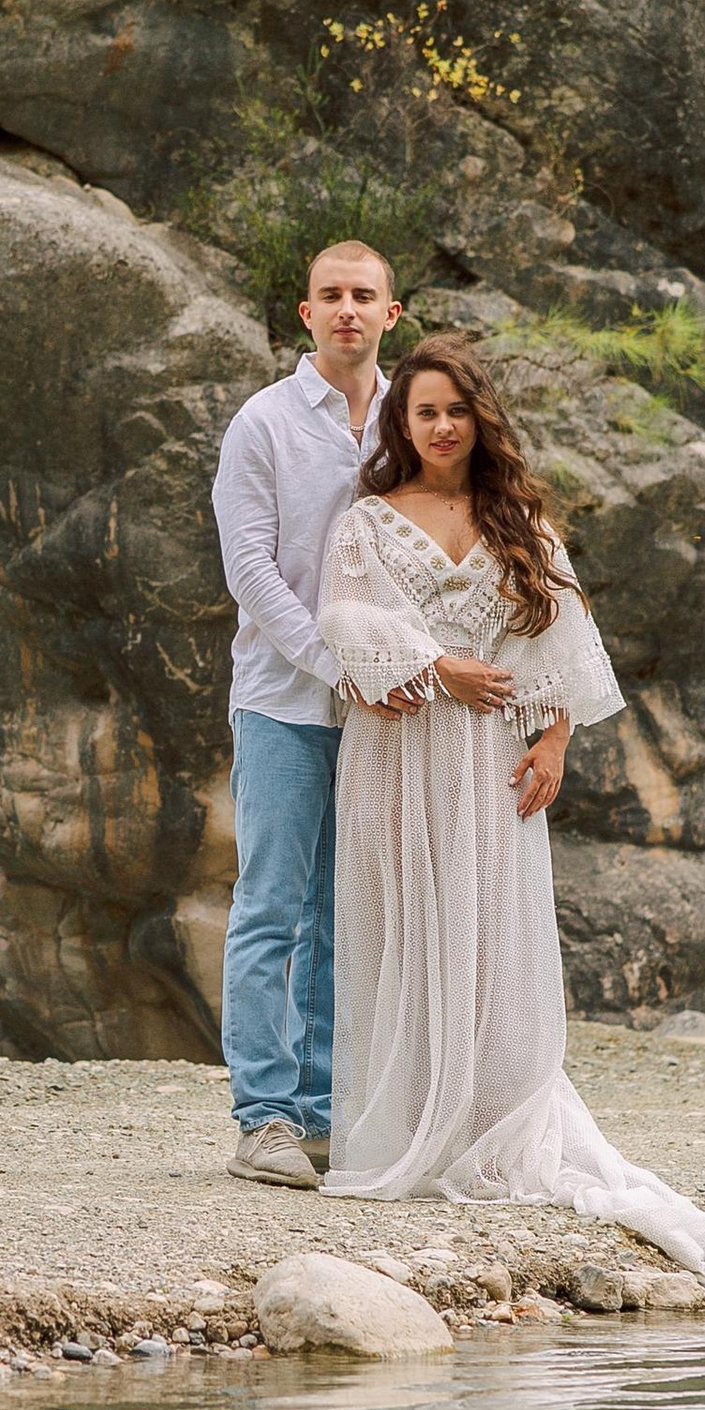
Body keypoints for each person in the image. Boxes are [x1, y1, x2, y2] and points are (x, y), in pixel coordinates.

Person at [314, 331, 705, 1276]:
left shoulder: (521, 524)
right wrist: (435, 664)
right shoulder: (367, 523)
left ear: (479, 418)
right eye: (425, 411)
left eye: (457, 410)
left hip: (496, 758)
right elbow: (343, 618)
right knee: (404, 926)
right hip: (398, 751)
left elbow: (566, 636)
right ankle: (408, 1126)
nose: (443, 426)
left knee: (492, 934)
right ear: (400, 422)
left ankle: (491, 1123)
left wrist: (555, 739)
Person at [210, 242, 411, 1188]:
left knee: (346, 915)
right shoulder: (264, 422)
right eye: (331, 295)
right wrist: (340, 664)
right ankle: (263, 1119)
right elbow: (250, 569)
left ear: (391, 314)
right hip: (284, 701)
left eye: (363, 296)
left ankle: (328, 1114)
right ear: (306, 312)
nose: (347, 310)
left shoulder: (413, 422)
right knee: (270, 908)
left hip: (385, 712)